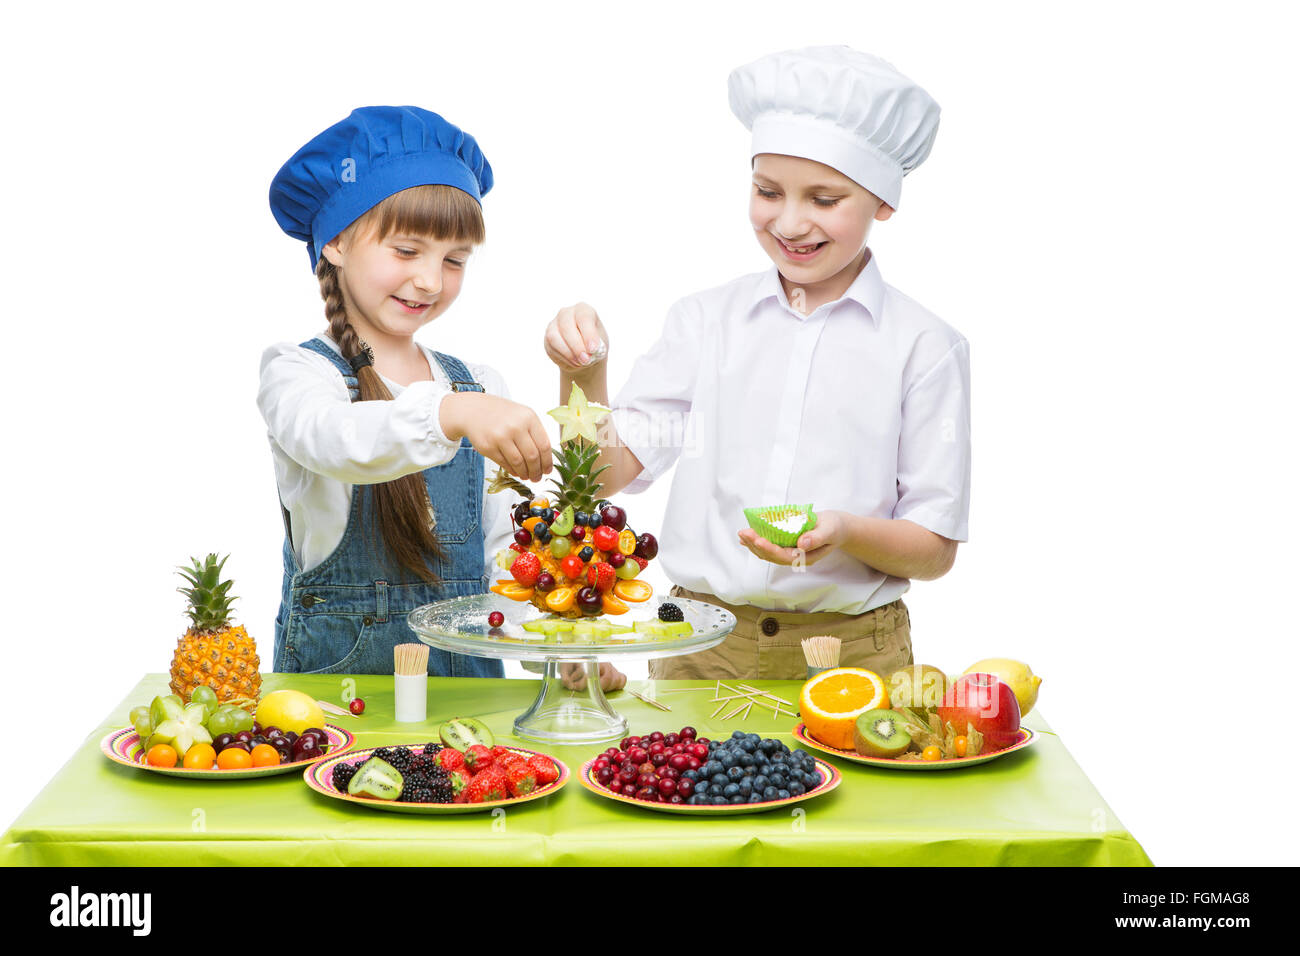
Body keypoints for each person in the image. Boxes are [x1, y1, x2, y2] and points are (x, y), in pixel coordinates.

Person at [544, 47, 970, 680]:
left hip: (855, 652)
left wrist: (844, 532)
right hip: (698, 646)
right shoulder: (704, 322)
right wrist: (582, 375)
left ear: (883, 202)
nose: (790, 221)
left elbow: (933, 550)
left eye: (825, 199)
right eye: (768, 191)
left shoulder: (925, 346)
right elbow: (603, 475)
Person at [260, 105, 560, 680]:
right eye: (406, 251)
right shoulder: (300, 374)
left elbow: (503, 563)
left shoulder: (477, 385)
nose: (429, 280)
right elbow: (335, 441)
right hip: (342, 716)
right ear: (337, 242)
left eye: (454, 260)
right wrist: (449, 414)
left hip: (474, 719)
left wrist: (553, 651)